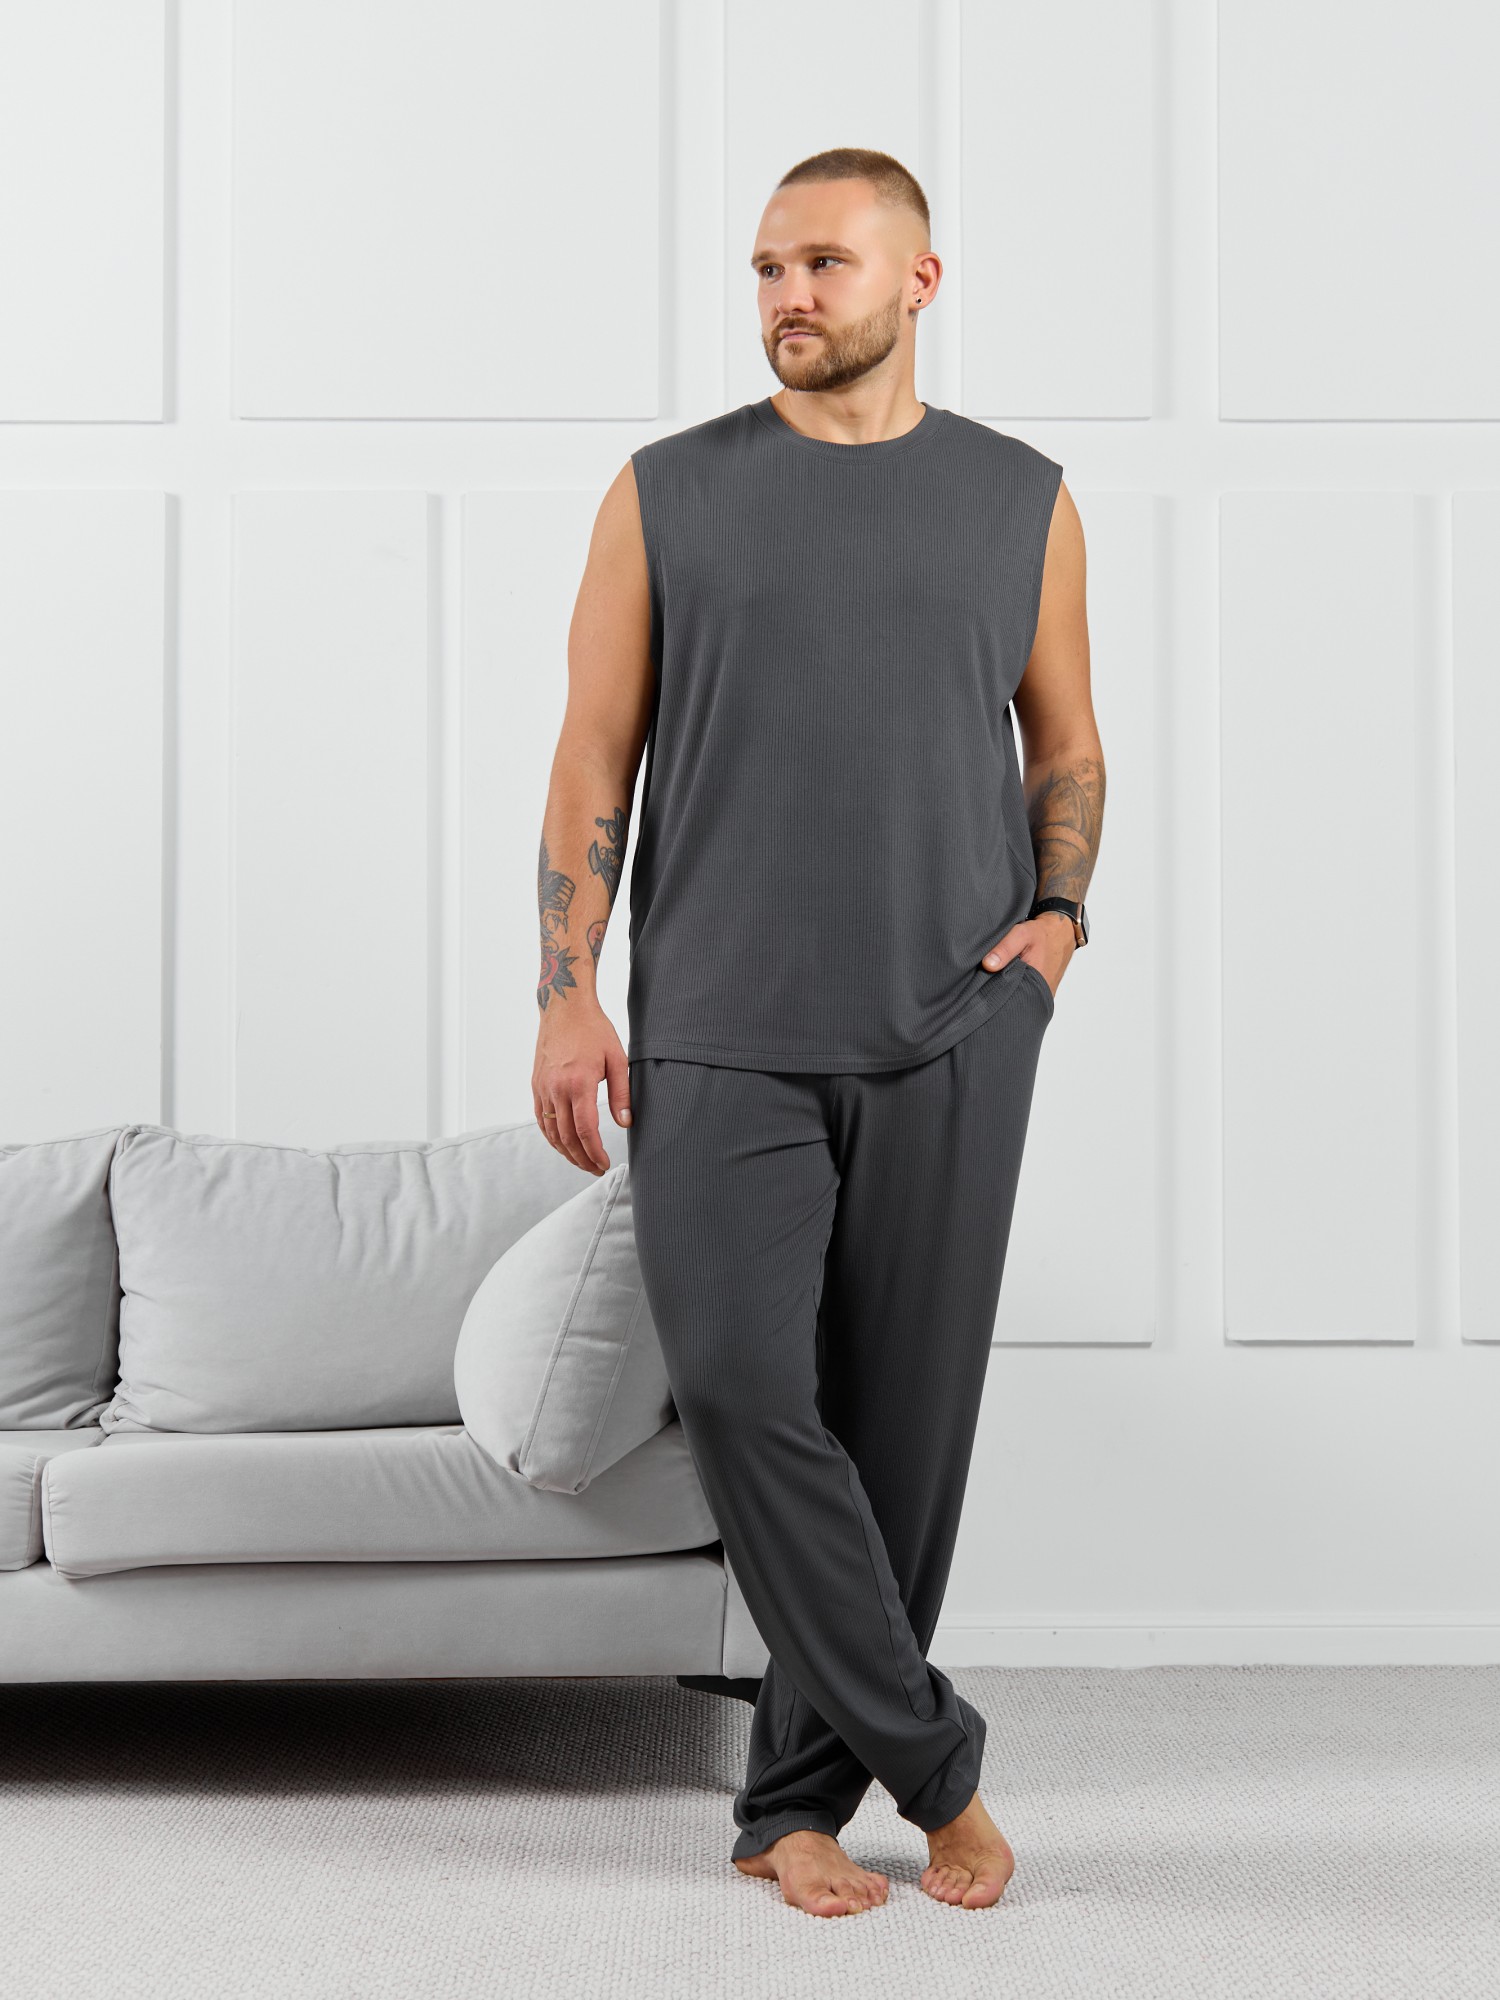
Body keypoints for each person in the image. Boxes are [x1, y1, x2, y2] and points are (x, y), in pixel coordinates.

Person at [531, 146, 1103, 1918]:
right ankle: (940, 1768)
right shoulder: (666, 492)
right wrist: (567, 988)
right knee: (744, 1391)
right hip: (719, 1034)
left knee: (902, 1446)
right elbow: (592, 754)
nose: (789, 294)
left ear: (919, 281)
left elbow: (1066, 742)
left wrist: (1058, 926)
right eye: (769, 267)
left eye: (826, 265)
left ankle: (788, 1804)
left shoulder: (1022, 500)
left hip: (956, 1028)